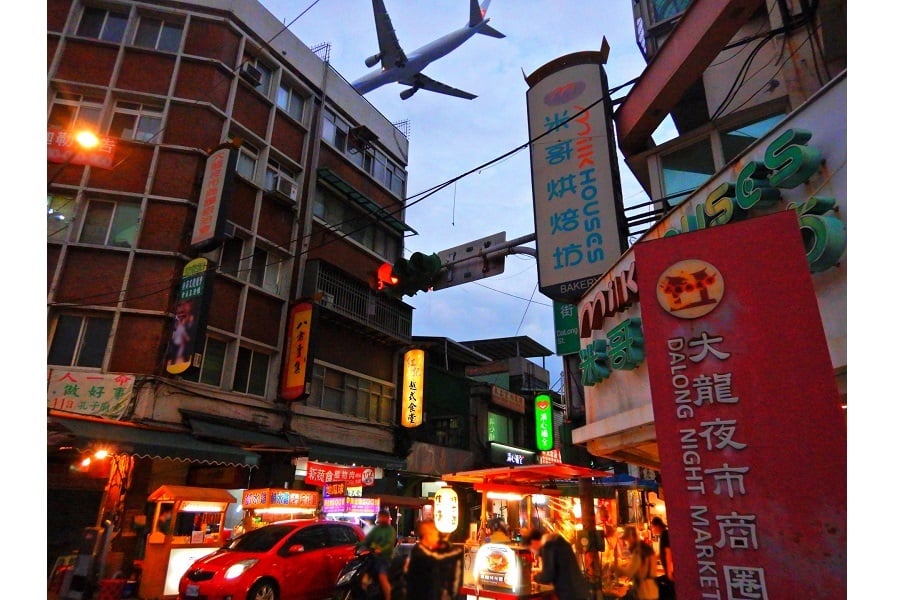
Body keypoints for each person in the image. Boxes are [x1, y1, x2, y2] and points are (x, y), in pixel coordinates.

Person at [405, 519, 463, 600]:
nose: (438, 537)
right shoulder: (419, 551)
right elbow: (438, 558)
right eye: (435, 533)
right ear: (428, 535)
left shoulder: (426, 550)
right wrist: (459, 551)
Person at [525, 528, 591, 600]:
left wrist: (534, 577)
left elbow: (547, 576)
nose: (532, 551)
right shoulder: (558, 542)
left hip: (570, 593)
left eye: (530, 548)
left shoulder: (548, 547)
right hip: (578, 590)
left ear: (533, 542)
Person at [360, 508, 397, 599]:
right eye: (380, 517)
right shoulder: (376, 529)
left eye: (383, 517)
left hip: (385, 558)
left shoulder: (390, 530)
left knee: (382, 577)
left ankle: (388, 597)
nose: (381, 519)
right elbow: (367, 540)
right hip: (373, 557)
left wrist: (380, 550)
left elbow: (389, 544)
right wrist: (358, 545)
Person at [615, 525, 659, 600]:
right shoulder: (647, 548)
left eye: (626, 540)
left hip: (644, 591)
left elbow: (629, 572)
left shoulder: (638, 551)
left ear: (632, 537)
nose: (626, 543)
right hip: (652, 589)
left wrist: (615, 568)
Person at [650, 517, 675, 600]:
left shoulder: (665, 534)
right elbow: (660, 553)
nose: (652, 530)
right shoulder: (663, 534)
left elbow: (668, 552)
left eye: (652, 527)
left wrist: (669, 570)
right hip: (668, 570)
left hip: (669, 570)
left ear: (657, 526)